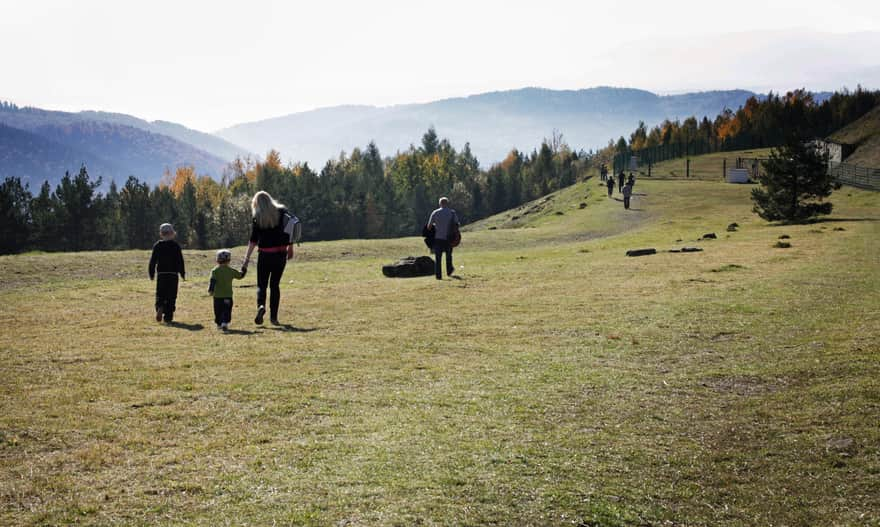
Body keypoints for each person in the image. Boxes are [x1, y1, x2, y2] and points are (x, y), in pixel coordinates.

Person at [242, 191, 294, 325]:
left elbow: (253, 240)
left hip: (265, 255)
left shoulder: (257, 218)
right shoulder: (282, 212)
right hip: (280, 255)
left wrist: (246, 260)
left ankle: (261, 306)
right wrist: (290, 247)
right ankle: (274, 317)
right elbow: (291, 229)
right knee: (275, 285)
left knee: (262, 285)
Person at [148, 223, 185, 323]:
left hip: (161, 274)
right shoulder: (175, 246)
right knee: (171, 295)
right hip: (173, 274)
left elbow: (153, 261)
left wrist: (151, 273)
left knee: (160, 293)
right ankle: (168, 316)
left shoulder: (157, 245)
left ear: (161, 234)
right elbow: (180, 260)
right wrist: (182, 272)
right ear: (172, 233)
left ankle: (160, 306)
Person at [208, 249, 247, 331]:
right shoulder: (231, 271)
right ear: (229, 260)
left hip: (217, 296)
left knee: (218, 310)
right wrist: (244, 268)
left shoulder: (215, 271)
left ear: (217, 260)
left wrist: (211, 290)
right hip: (228, 296)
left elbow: (213, 281)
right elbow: (240, 276)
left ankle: (219, 323)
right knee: (227, 310)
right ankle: (225, 323)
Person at [426, 196, 460, 280]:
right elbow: (457, 224)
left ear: (440, 203)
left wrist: (436, 225)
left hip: (438, 238)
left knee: (438, 258)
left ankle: (438, 276)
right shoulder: (452, 213)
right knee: (449, 256)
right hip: (449, 238)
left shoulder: (435, 212)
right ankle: (449, 271)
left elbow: (429, 227)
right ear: (447, 203)